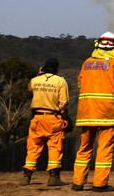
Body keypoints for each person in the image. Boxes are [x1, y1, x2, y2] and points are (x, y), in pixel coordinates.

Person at [72, 32, 114, 192]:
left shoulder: (87, 63)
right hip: (108, 113)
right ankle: (99, 184)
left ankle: (78, 183)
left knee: (84, 148)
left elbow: (80, 84)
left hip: (87, 112)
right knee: (105, 149)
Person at [20, 57, 70, 186]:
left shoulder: (35, 80)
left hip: (37, 118)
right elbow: (64, 103)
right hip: (53, 118)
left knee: (33, 147)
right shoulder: (61, 81)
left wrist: (38, 74)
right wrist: (64, 118)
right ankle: (54, 177)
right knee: (55, 147)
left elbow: (29, 89)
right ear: (57, 68)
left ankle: (26, 176)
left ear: (43, 68)